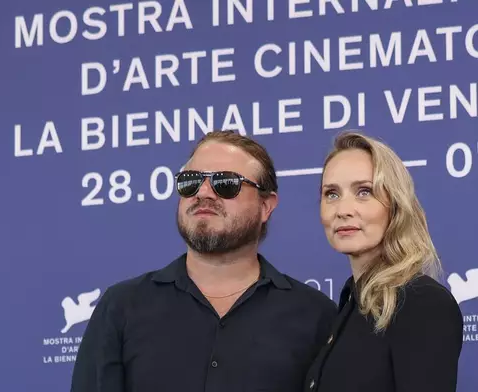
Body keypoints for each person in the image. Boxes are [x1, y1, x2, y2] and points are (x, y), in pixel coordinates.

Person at [70, 130, 338, 392]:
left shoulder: (316, 316)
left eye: (225, 183)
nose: (204, 193)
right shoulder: (121, 307)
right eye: (191, 181)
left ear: (266, 206)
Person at [304, 131, 464, 392]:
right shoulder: (351, 305)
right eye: (331, 194)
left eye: (364, 191)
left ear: (395, 204)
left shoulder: (421, 302)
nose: (343, 210)